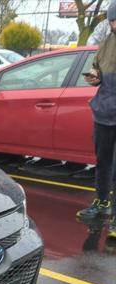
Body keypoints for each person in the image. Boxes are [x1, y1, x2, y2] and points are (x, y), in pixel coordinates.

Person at [77, 2, 116, 240]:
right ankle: (101, 203)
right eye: (113, 20)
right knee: (102, 163)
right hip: (103, 113)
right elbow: (97, 71)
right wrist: (94, 77)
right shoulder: (104, 47)